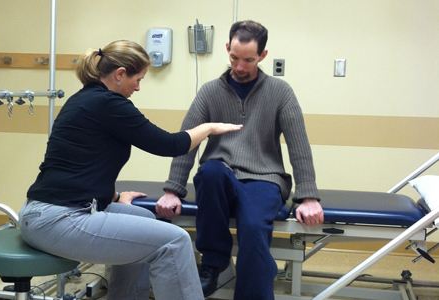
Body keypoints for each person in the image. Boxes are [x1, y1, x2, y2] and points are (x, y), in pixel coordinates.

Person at [18, 39, 243, 300]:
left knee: (142, 218)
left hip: (41, 213)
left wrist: (114, 198)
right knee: (175, 241)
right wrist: (209, 128)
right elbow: (170, 144)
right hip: (59, 220)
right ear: (120, 74)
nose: (138, 87)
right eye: (138, 79)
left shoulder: (83, 99)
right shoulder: (110, 104)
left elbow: (80, 164)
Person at [156, 21, 324, 300]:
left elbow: (299, 146)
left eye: (249, 59)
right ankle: (212, 263)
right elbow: (187, 142)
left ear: (263, 56)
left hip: (264, 178)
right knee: (209, 172)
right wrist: (172, 190)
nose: (241, 66)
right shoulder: (210, 91)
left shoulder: (280, 92)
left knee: (254, 227)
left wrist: (308, 196)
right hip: (220, 177)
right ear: (227, 49)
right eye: (234, 58)